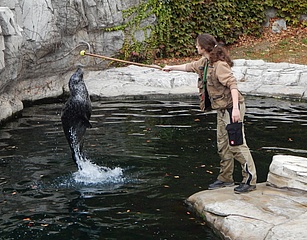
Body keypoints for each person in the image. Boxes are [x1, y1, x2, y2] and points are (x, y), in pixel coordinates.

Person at [162, 33, 257, 194]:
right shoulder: (205, 62)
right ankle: (226, 179)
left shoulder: (220, 65)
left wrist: (235, 109)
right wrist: (170, 68)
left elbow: (233, 86)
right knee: (223, 146)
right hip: (221, 109)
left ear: (204, 47)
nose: (195, 46)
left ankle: (250, 180)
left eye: (197, 45)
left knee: (237, 146)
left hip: (232, 108)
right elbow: (189, 66)